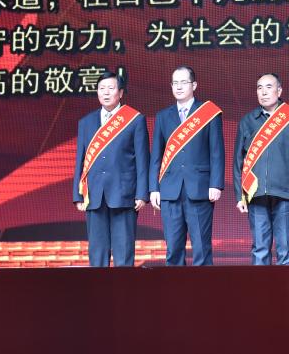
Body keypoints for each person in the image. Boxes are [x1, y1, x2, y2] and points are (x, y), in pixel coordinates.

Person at [72, 69, 148, 267]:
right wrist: (77, 195)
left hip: (124, 195)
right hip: (94, 195)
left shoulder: (135, 120)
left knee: (124, 255)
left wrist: (141, 194)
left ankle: (124, 288)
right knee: (97, 255)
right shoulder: (86, 122)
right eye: (101, 88)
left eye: (111, 88)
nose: (106, 92)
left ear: (120, 93)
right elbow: (80, 160)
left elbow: (142, 160)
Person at [149, 65, 224, 266]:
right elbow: (156, 155)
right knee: (173, 250)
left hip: (199, 189)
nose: (179, 87)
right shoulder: (163, 116)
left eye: (184, 82)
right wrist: (153, 188)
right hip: (169, 190)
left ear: (194, 85)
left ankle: (202, 286)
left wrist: (216, 184)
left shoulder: (208, 113)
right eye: (175, 83)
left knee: (201, 248)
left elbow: (216, 151)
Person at [232, 73, 289, 265]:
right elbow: (238, 161)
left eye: (269, 87)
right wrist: (240, 195)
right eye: (259, 88)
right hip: (255, 194)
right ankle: (260, 286)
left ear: (279, 91)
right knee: (260, 249)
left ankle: (286, 285)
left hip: (286, 194)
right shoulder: (247, 121)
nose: (264, 92)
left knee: (286, 249)